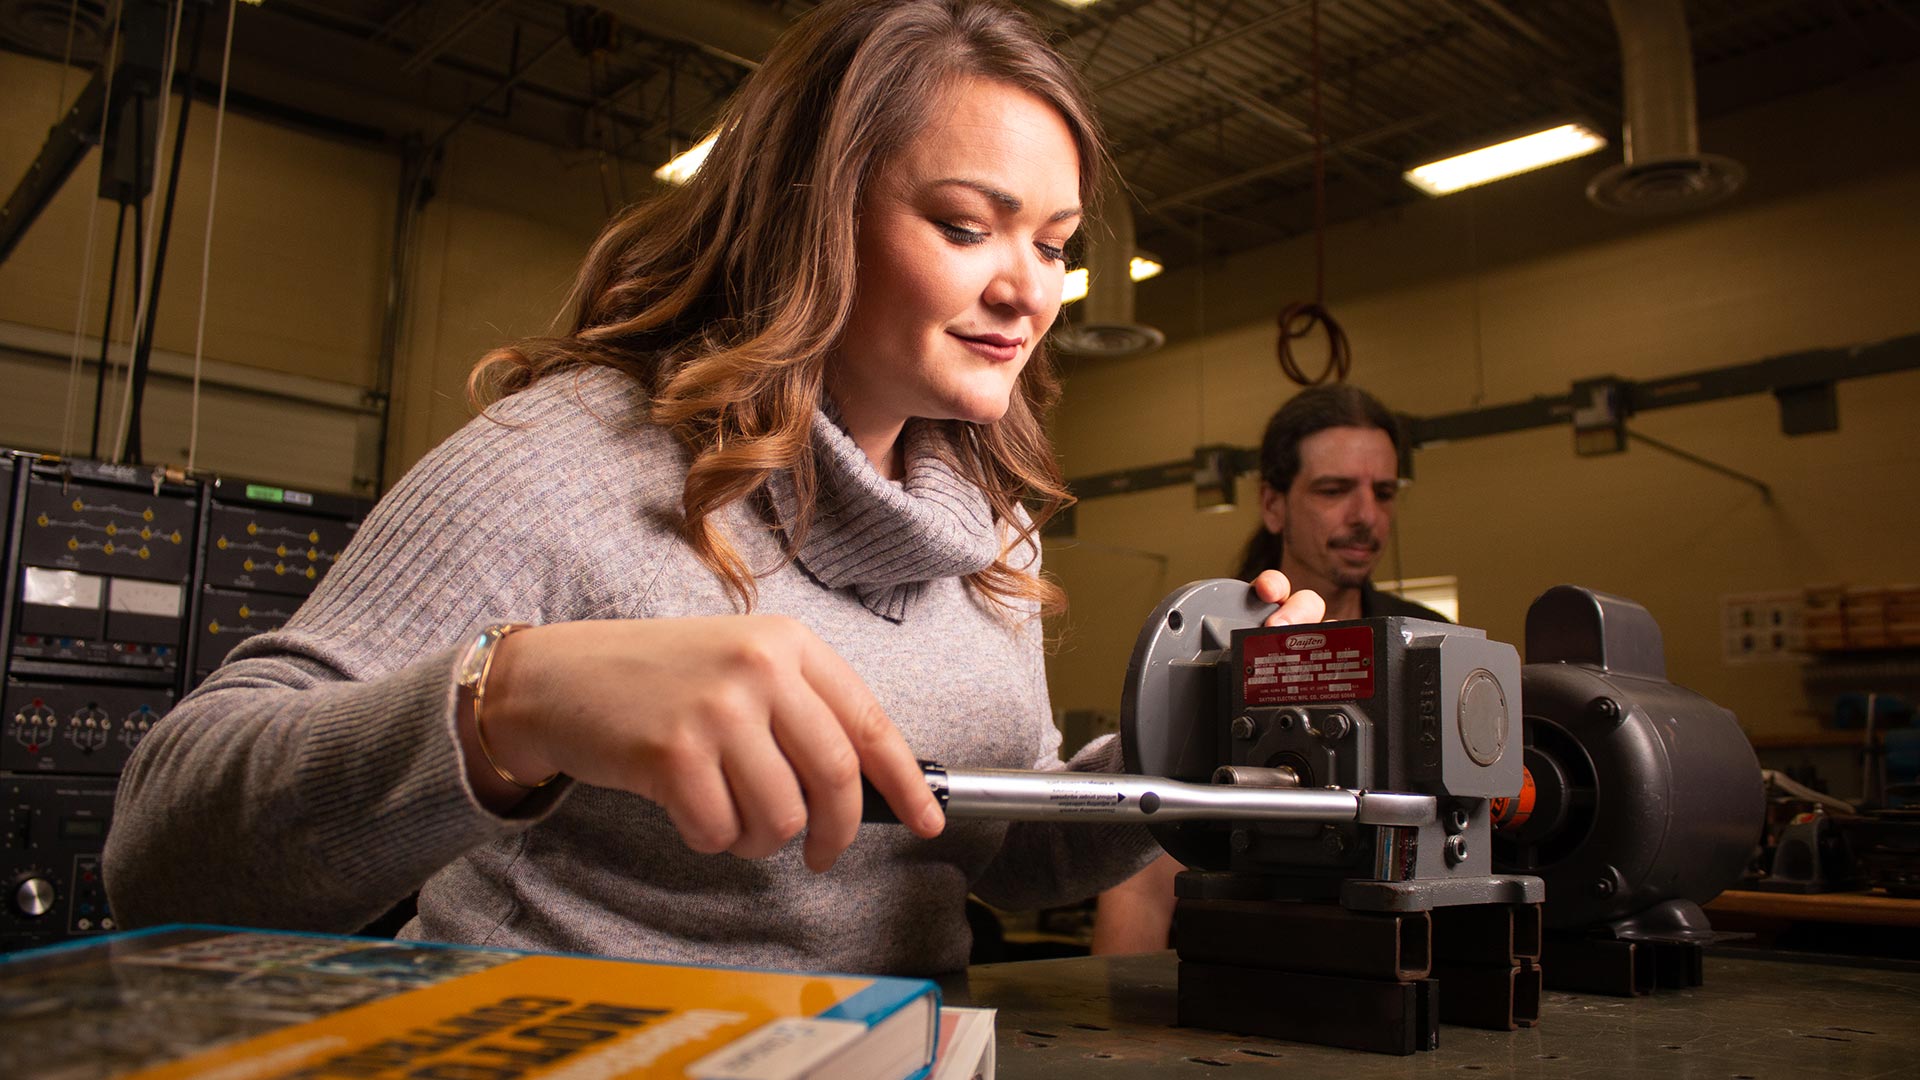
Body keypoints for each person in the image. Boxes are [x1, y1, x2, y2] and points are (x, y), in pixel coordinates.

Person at [103, 0, 1323, 978]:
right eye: (966, 226)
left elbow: (990, 854)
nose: (1030, 290)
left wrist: (1195, 745)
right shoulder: (566, 461)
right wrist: (506, 700)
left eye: (1054, 245)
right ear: (811, 223)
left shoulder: (986, 528)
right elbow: (160, 855)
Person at [1090, 383, 1444, 955]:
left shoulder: (1426, 646)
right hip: (1243, 975)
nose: (1366, 516)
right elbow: (1142, 888)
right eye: (1334, 490)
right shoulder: (1218, 658)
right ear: (1273, 504)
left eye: (1383, 492)